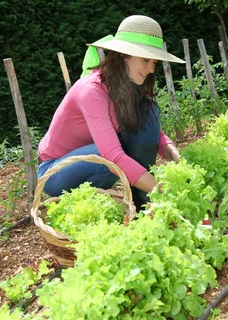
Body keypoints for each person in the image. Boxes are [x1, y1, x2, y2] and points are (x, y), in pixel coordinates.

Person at [37, 14, 185, 210]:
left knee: (148, 113)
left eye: (155, 63)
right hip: (56, 171)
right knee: (111, 153)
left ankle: (141, 202)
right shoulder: (92, 90)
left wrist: (176, 157)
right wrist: (163, 191)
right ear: (125, 56)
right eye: (146, 60)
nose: (150, 68)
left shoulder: (136, 83)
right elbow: (112, 155)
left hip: (97, 163)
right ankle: (150, 197)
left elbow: (153, 133)